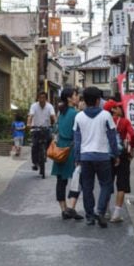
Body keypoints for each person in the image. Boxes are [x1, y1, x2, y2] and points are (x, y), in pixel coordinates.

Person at [73, 86, 121, 228]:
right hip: (102, 157)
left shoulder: (79, 117)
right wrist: (116, 155)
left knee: (87, 186)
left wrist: (77, 158)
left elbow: (77, 140)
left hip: (85, 157)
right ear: (98, 100)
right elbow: (112, 137)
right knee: (106, 184)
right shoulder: (106, 115)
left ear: (85, 101)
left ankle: (89, 216)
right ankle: (100, 210)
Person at [51, 88, 83, 220]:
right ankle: (71, 207)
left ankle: (64, 209)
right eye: (75, 95)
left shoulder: (61, 112)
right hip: (71, 148)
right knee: (77, 179)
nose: (77, 97)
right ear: (69, 98)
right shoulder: (75, 114)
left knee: (61, 180)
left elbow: (55, 128)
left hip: (60, 149)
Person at [104, 99, 134, 222]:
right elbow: (132, 135)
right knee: (121, 184)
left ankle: (106, 211)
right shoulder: (124, 122)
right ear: (113, 110)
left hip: (108, 155)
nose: (121, 109)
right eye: (118, 107)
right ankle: (116, 213)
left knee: (107, 183)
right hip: (122, 155)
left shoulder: (105, 121)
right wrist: (131, 148)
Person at [27, 91, 56, 174]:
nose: (41, 99)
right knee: (34, 145)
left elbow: (53, 116)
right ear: (38, 98)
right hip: (35, 128)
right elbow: (30, 116)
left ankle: (45, 154)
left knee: (50, 140)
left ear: (46, 99)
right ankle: (35, 163)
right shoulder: (34, 106)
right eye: (40, 97)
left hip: (46, 128)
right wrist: (29, 123)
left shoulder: (50, 106)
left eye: (43, 97)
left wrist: (55, 123)